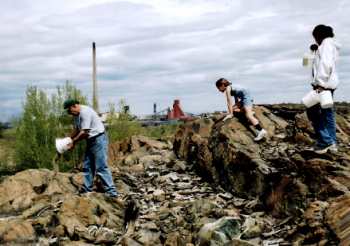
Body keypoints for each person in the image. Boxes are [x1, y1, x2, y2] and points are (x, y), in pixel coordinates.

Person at [64, 99, 118, 197]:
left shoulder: (85, 112)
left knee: (101, 166)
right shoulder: (77, 115)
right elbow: (77, 130)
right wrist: (68, 140)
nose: (69, 113)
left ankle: (112, 193)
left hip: (98, 139)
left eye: (69, 110)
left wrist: (73, 142)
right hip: (91, 140)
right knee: (87, 166)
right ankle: (86, 190)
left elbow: (84, 132)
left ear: (74, 106)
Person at [306, 25, 340, 154]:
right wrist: (311, 53)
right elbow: (306, 64)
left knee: (312, 111)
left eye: (315, 37)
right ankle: (332, 144)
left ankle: (325, 141)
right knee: (327, 115)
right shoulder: (329, 46)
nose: (315, 40)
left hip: (323, 85)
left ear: (319, 35)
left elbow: (326, 64)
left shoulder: (326, 44)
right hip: (329, 85)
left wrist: (320, 84)